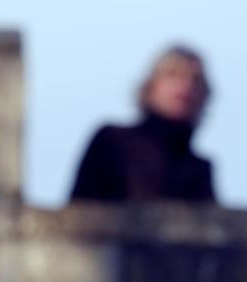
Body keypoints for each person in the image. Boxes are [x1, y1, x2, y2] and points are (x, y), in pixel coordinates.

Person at [70, 45, 216, 203]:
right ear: (151, 86)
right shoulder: (112, 142)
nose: (186, 86)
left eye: (195, 79)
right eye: (172, 74)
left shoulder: (198, 170)